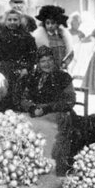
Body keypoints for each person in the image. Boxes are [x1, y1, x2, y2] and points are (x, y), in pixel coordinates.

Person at [20, 46, 76, 174]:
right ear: (38, 64)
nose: (47, 64)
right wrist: (32, 107)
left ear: (54, 60)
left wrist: (47, 108)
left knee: (52, 132)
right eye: (43, 61)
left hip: (57, 114)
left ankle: (54, 170)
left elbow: (70, 101)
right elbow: (24, 98)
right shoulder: (33, 77)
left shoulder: (63, 77)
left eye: (50, 60)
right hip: (38, 114)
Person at [0, 8, 38, 111]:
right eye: (9, 20)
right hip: (1, 72)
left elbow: (33, 56)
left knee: (17, 101)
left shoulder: (27, 38)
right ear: (5, 21)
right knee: (0, 101)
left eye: (15, 20)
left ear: (20, 21)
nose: (12, 22)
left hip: (20, 73)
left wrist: (27, 69)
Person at [32, 5, 74, 70]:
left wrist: (65, 63)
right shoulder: (39, 38)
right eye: (47, 23)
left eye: (53, 23)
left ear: (57, 23)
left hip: (61, 69)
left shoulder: (63, 36)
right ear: (44, 24)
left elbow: (71, 53)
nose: (50, 26)